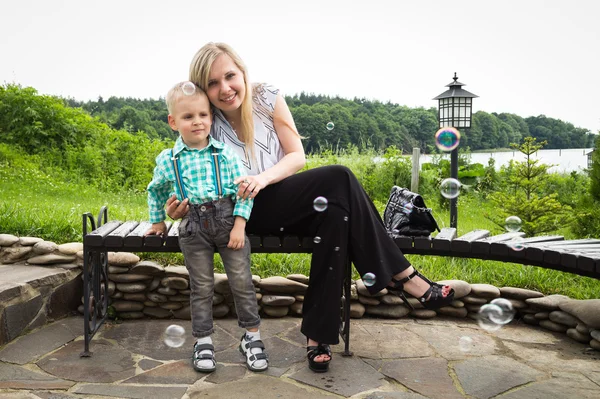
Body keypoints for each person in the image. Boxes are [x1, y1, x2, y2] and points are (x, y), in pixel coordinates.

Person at [165, 43, 455, 373]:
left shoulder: (266, 97)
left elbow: (296, 156)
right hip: (237, 215)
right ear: (203, 89)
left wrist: (262, 179)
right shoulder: (202, 117)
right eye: (213, 83)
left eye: (230, 76)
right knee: (340, 177)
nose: (225, 88)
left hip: (277, 196)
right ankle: (403, 276)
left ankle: (318, 336)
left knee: (335, 215)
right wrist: (176, 208)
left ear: (242, 72)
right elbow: (183, 170)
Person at [146, 81, 268, 373]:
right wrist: (158, 221)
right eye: (188, 117)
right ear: (174, 122)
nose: (197, 121)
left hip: (228, 224)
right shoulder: (168, 160)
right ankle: (203, 341)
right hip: (192, 229)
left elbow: (243, 191)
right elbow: (156, 190)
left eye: (202, 115)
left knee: (241, 281)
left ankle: (252, 338)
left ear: (211, 117)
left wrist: (239, 226)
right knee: (201, 286)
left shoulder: (224, 154)